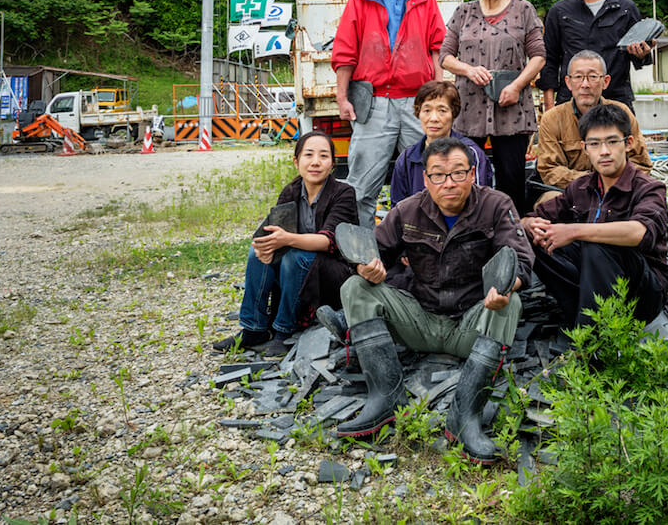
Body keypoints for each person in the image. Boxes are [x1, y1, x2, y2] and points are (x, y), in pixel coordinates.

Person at [334, 137, 533, 463]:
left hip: (472, 321)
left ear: (472, 174)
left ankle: (465, 415)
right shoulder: (408, 210)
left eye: (457, 174)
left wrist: (508, 287)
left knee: (511, 302)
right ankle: (385, 398)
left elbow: (521, 260)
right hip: (420, 320)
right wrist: (365, 265)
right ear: (426, 179)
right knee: (355, 287)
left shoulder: (496, 205)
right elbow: (373, 249)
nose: (449, 183)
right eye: (438, 175)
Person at [522, 103, 668, 328]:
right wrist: (529, 223)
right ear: (585, 148)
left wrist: (573, 231)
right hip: (591, 283)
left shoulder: (648, 188)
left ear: (628, 143)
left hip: (642, 292)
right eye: (595, 144)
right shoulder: (581, 187)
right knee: (536, 235)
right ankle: (576, 313)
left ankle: (594, 343)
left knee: (597, 245)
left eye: (612, 142)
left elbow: (639, 232)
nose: (604, 151)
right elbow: (537, 216)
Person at [332, 0, 446, 228]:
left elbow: (437, 47)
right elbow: (345, 53)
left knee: (432, 176)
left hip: (417, 102)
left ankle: (427, 249)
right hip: (374, 101)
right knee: (360, 187)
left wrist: (438, 94)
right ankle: (360, 256)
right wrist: (342, 99)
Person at [212, 131, 359, 357]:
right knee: (257, 253)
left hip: (333, 272)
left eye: (323, 156)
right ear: (296, 161)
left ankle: (283, 330)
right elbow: (271, 231)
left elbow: (330, 241)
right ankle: (254, 328)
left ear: (332, 164)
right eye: (308, 155)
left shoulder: (343, 193)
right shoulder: (291, 191)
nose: (315, 162)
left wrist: (287, 240)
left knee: (294, 256)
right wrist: (265, 246)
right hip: (296, 269)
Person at [440, 0, 545, 213]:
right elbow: (445, 56)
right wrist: (467, 69)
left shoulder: (523, 9)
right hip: (469, 110)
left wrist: (517, 85)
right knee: (465, 176)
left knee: (511, 181)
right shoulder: (464, 12)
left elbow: (538, 56)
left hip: (511, 108)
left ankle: (513, 241)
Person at [538, 0, 655, 111]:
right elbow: (549, 61)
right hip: (571, 103)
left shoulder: (625, 8)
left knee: (622, 139)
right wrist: (550, 111)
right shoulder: (559, 11)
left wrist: (642, 53)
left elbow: (638, 57)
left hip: (616, 102)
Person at [535, 50, 651, 204]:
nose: (585, 84)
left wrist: (610, 183)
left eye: (593, 77)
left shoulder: (622, 113)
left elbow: (641, 164)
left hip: (616, 191)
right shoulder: (552, 119)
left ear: (606, 81)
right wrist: (593, 182)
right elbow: (550, 170)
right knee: (546, 202)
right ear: (568, 82)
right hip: (571, 192)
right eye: (578, 77)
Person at [390, 80, 492, 205]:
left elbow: (480, 205)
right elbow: (399, 209)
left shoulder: (471, 153)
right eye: (427, 111)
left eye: (442, 111)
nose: (433, 118)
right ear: (418, 113)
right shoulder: (407, 159)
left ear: (453, 113)